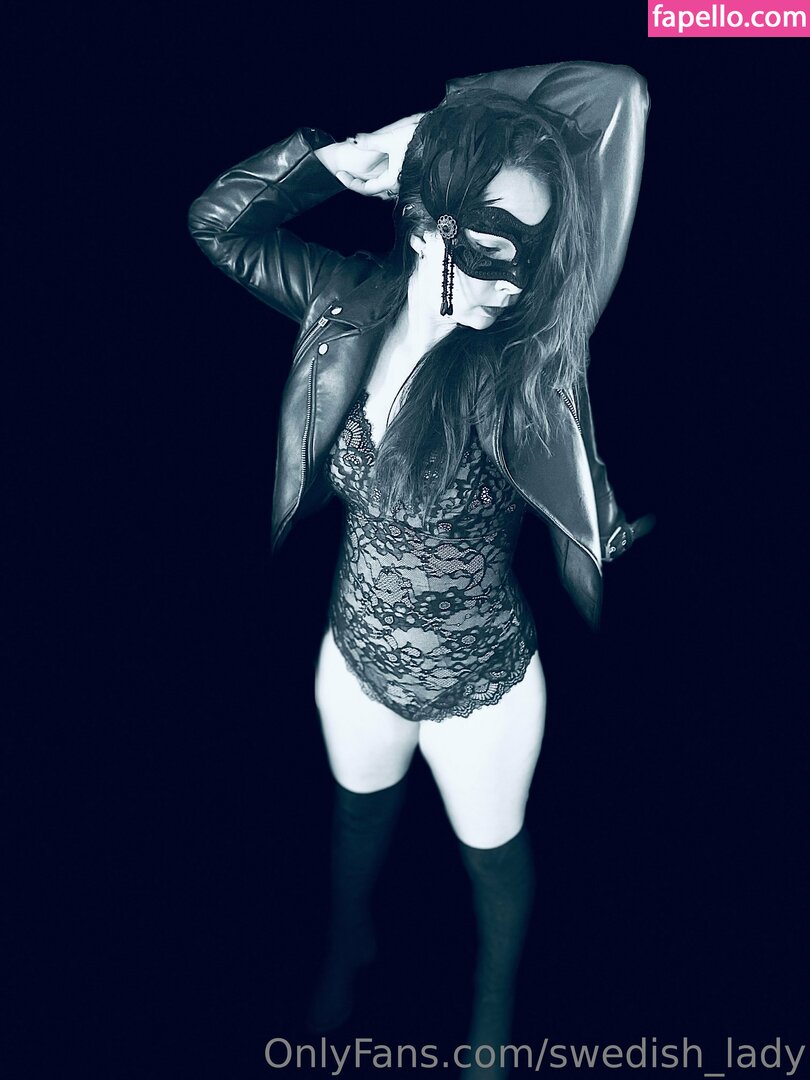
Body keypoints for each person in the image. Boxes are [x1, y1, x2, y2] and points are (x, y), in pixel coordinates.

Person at [189, 61, 652, 1078]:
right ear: (427, 223)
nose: (513, 284)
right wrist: (349, 155)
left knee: (494, 866)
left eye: (532, 257)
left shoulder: (529, 362)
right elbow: (217, 224)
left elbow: (621, 96)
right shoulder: (347, 302)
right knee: (356, 823)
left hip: (480, 689)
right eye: (489, 249)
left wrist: (453, 114)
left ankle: (493, 1007)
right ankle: (347, 945)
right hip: (354, 661)